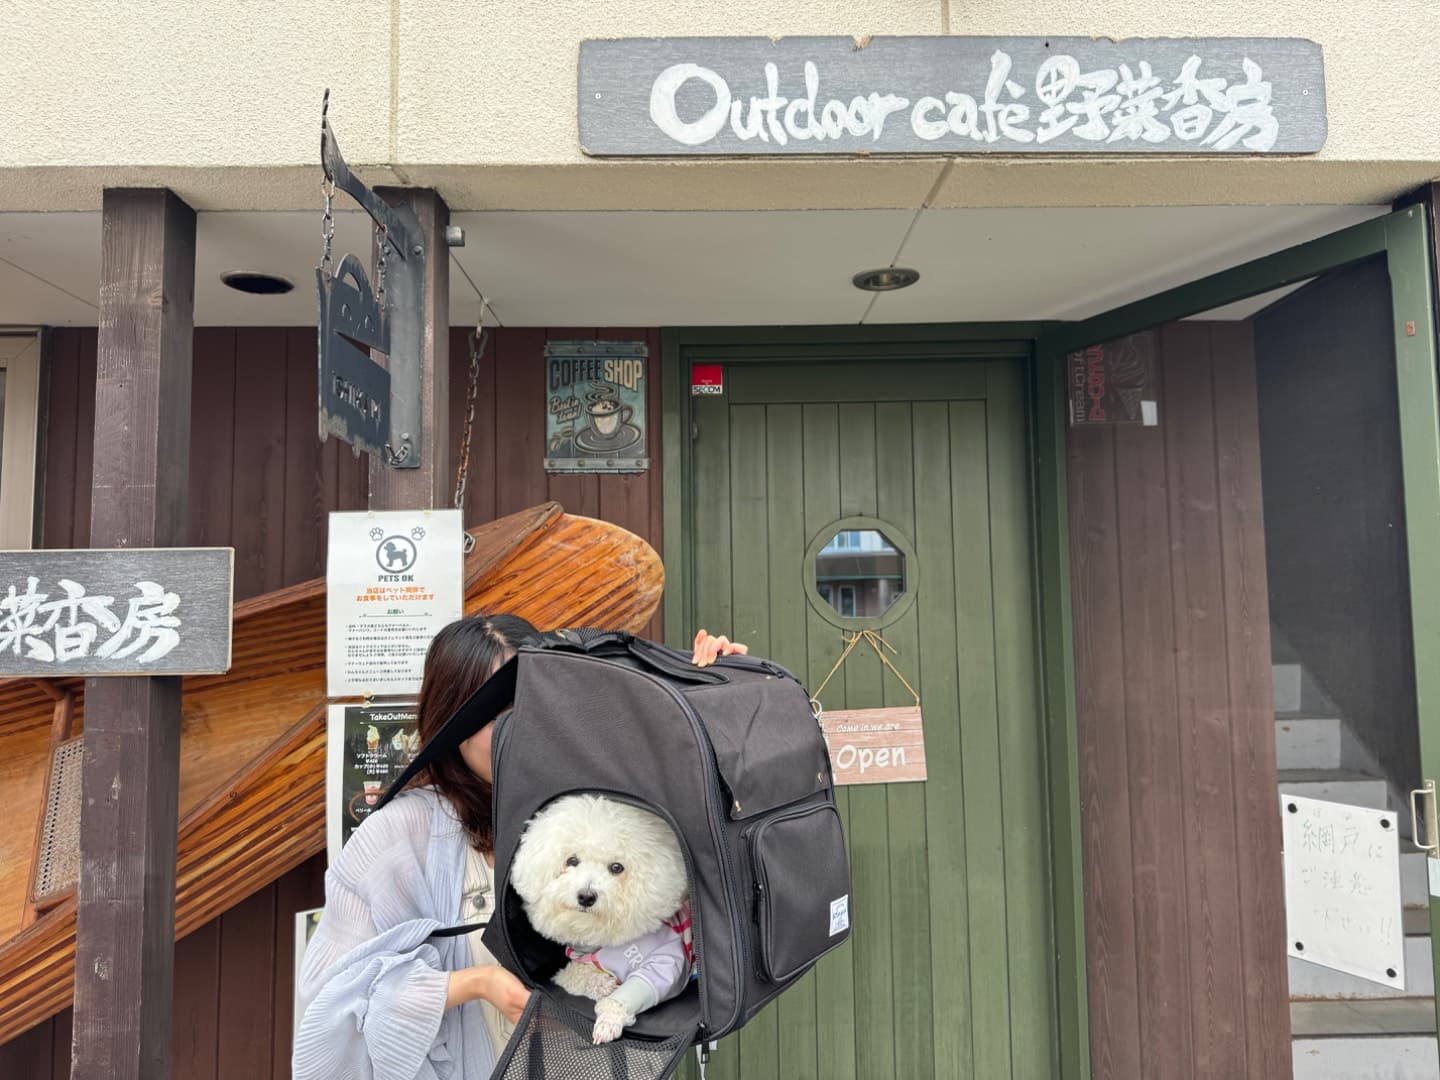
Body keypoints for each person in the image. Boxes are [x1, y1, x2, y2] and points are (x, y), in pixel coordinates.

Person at [292, 615, 746, 1080]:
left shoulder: (602, 805)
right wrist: (474, 983)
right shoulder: (400, 834)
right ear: (451, 723)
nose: (516, 729)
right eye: (491, 715)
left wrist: (715, 694)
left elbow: (705, 881)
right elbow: (331, 1003)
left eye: (526, 706)